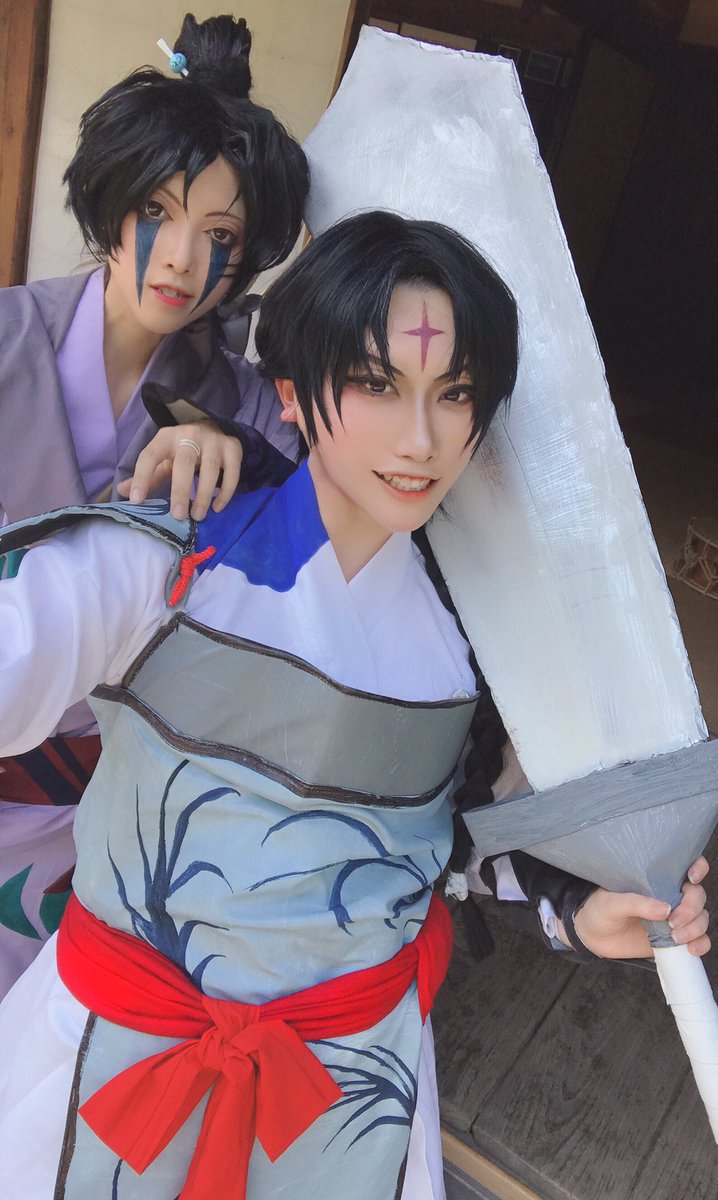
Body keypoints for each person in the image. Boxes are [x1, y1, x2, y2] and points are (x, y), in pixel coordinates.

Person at [0, 213, 709, 1200]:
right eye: (377, 383)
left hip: (353, 1086)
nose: (421, 439)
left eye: (454, 393)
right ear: (294, 392)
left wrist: (576, 916)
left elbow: (458, 841)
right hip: (117, 1054)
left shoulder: (469, 640)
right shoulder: (169, 551)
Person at [0, 12, 306, 994]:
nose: (180, 258)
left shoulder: (249, 408)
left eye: (220, 236)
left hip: (95, 802)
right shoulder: (6, 335)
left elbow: (316, 538)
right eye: (156, 212)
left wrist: (242, 458)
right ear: (110, 202)